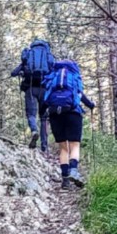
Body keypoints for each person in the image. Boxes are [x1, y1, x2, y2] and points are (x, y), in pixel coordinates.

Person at [40, 54, 93, 186]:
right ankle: (74, 170)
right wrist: (91, 105)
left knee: (63, 147)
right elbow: (80, 95)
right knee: (74, 144)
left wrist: (42, 114)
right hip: (73, 113)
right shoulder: (74, 78)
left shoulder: (52, 78)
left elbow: (45, 99)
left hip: (55, 115)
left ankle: (65, 180)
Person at [10, 37, 55, 152]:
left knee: (31, 114)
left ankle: (34, 130)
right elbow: (54, 71)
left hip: (30, 88)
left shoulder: (29, 54)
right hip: (44, 90)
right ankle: (44, 146)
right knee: (44, 117)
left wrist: (21, 72)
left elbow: (13, 73)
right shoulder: (48, 55)